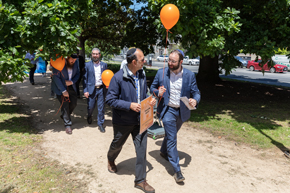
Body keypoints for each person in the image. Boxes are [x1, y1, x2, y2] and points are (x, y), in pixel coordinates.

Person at [106, 48, 156, 193]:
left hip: (141, 121)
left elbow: (144, 93)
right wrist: (129, 105)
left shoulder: (141, 74)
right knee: (117, 144)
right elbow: (110, 99)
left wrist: (150, 100)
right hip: (123, 121)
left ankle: (140, 181)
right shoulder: (118, 77)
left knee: (141, 150)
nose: (144, 61)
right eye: (142, 60)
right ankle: (110, 158)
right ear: (133, 62)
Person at [150, 49, 201, 183]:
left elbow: (196, 93)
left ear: (181, 62)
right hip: (167, 111)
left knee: (170, 135)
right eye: (169, 60)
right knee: (172, 138)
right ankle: (177, 171)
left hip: (182, 111)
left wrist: (195, 100)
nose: (170, 63)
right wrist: (158, 92)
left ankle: (162, 151)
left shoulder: (189, 75)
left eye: (173, 61)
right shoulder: (162, 73)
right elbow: (152, 88)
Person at [51, 54, 80, 134]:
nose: (74, 61)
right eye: (72, 59)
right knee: (65, 105)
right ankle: (67, 125)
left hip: (71, 86)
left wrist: (72, 82)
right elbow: (56, 78)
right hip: (60, 87)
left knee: (74, 103)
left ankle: (64, 115)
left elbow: (78, 73)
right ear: (67, 57)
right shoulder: (58, 61)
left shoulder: (75, 62)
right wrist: (63, 91)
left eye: (75, 60)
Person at [83, 48, 107, 133]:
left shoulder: (104, 65)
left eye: (97, 54)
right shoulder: (87, 65)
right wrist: (85, 90)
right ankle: (89, 115)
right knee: (91, 106)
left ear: (99, 55)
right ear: (91, 55)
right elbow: (85, 79)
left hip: (101, 89)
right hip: (91, 89)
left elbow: (107, 77)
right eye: (93, 54)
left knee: (101, 107)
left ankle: (100, 124)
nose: (95, 55)